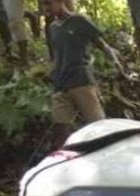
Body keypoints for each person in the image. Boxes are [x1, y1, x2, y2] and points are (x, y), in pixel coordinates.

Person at [46, 0, 122, 150]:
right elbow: (55, 56)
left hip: (82, 81)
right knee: (60, 130)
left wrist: (115, 60)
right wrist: (51, 73)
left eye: (48, 3)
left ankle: (113, 153)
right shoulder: (52, 28)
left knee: (99, 126)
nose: (46, 8)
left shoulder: (79, 21)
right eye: (43, 4)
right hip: (60, 84)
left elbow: (101, 44)